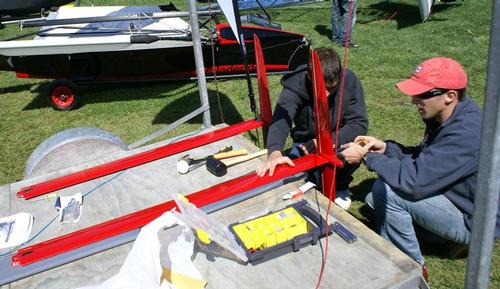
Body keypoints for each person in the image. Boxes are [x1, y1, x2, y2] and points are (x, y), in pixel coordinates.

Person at [340, 57, 500, 277]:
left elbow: (413, 181)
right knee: (373, 199)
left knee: (387, 193)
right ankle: (441, 240)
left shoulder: (467, 133)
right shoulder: (449, 117)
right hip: (455, 199)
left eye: (421, 95)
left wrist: (367, 157)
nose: (414, 101)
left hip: (473, 220)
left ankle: (410, 269)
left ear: (449, 96)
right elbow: (427, 159)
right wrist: (386, 149)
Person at [256, 47, 368, 209]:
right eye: (322, 88)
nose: (327, 95)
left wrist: (327, 141)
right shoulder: (295, 86)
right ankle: (312, 181)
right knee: (292, 177)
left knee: (352, 153)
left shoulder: (349, 81)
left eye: (332, 88)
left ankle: (340, 184)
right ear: (309, 76)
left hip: (338, 140)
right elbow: (280, 121)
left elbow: (358, 123)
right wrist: (274, 152)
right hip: (304, 143)